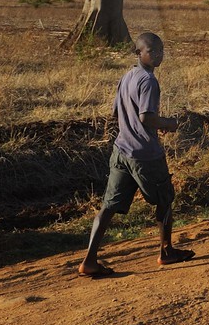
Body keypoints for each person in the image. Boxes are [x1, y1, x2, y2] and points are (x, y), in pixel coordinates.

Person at [78, 31, 194, 277]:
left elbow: (116, 113)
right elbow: (146, 117)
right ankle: (166, 252)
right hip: (145, 155)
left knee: (108, 206)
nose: (158, 55)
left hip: (121, 150)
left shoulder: (127, 76)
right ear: (138, 53)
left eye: (161, 50)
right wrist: (169, 124)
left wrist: (136, 127)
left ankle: (89, 261)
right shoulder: (148, 80)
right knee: (164, 199)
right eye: (152, 51)